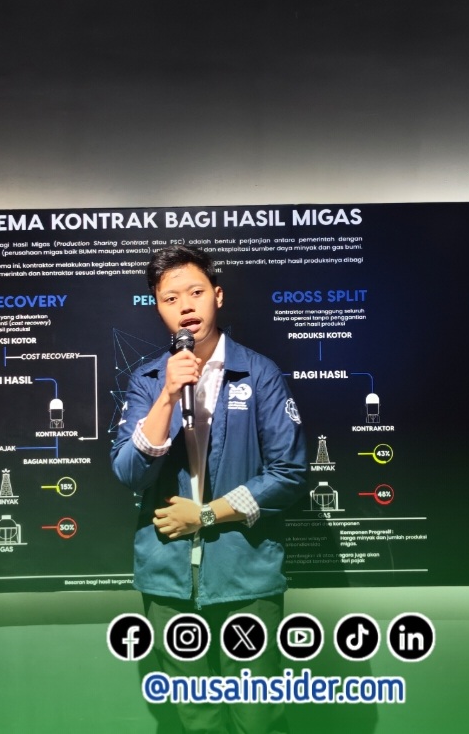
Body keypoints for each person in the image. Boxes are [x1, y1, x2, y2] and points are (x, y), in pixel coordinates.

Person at [111, 245, 307, 734]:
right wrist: (167, 395)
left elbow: (288, 473)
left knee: (258, 717)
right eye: (171, 298)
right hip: (168, 579)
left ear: (217, 296)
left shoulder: (258, 373)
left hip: (246, 576)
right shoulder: (147, 380)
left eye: (196, 292)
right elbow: (129, 472)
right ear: (158, 308)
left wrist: (208, 513)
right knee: (197, 718)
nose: (186, 306)